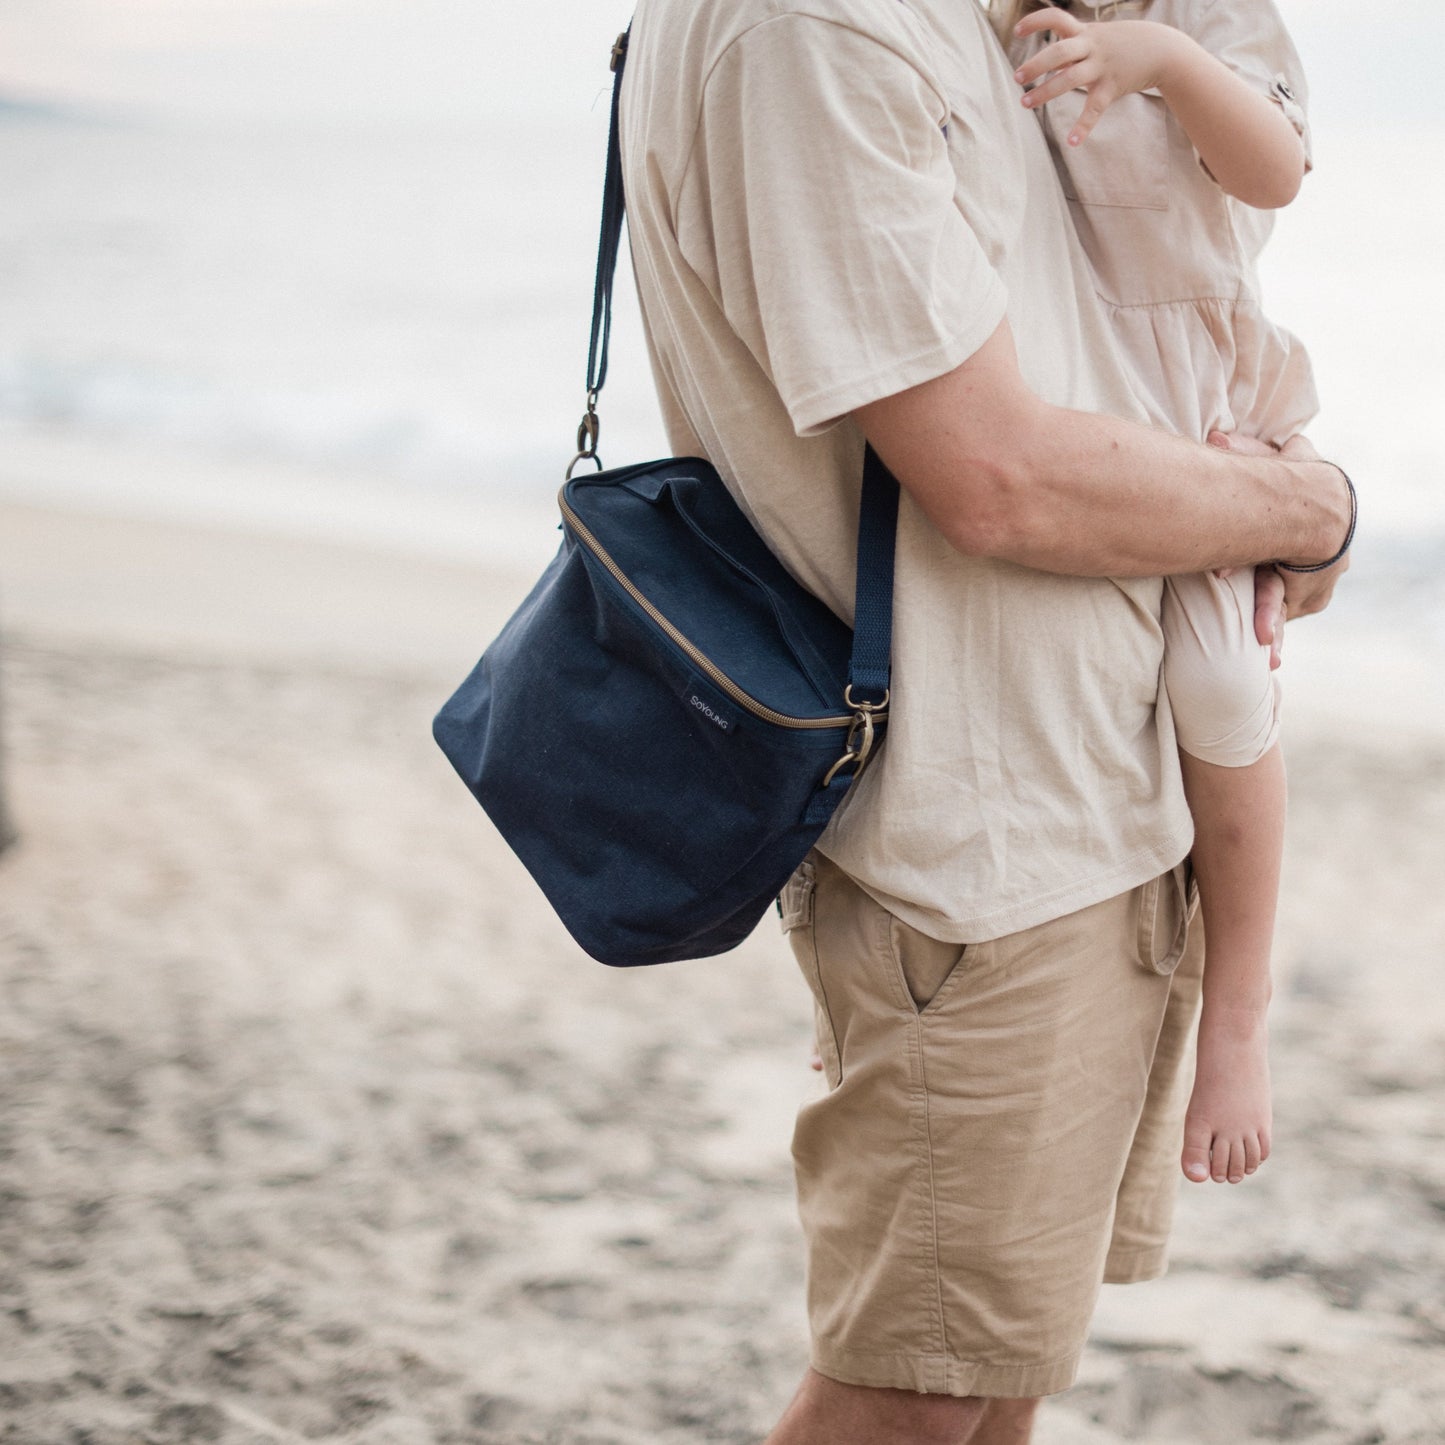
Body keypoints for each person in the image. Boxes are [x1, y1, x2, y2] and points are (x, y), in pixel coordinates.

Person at [616, 0, 1352, 1440]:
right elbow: (1002, 478)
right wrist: (1307, 510)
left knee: (994, 1373)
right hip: (984, 844)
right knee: (914, 1392)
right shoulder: (816, 23)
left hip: (1081, 801)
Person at [1001, 0, 1317, 1195]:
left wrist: (1166, 63)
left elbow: (1274, 171)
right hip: (1058, 394)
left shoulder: (1209, 16)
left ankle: (1235, 1019)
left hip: (1193, 405)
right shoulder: (995, 21)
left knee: (1224, 684)